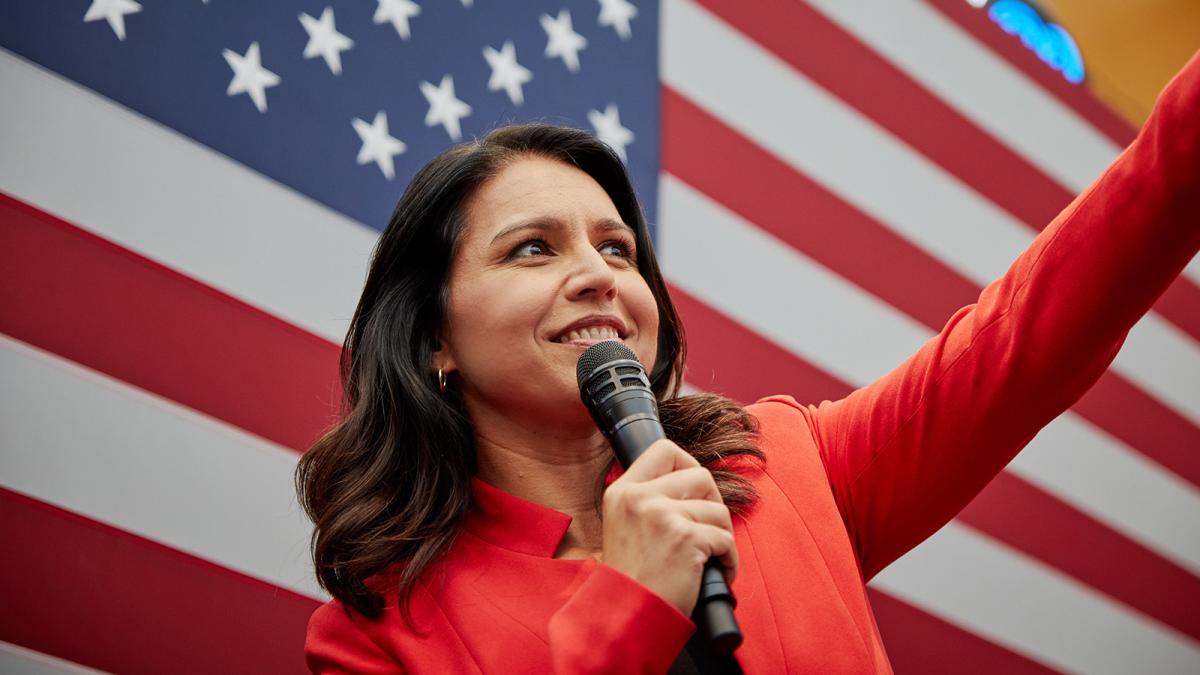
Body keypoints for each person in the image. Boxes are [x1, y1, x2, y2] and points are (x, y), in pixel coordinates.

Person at [298, 51, 1200, 673]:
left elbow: (1024, 337)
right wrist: (629, 604)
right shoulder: (373, 637)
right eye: (533, 248)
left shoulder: (783, 463)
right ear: (434, 339)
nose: (599, 275)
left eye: (617, 249)